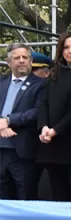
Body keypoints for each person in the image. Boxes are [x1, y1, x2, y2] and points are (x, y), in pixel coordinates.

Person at [37, 32, 71, 201]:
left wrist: (56, 130)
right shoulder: (55, 74)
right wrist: (44, 127)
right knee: (57, 193)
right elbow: (43, 103)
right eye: (66, 47)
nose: (70, 51)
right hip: (52, 144)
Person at [0, 43, 46, 199]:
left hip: (23, 152)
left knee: (25, 197)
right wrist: (1, 127)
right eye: (16, 58)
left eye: (24, 57)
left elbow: (37, 112)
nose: (21, 61)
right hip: (1, 150)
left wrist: (8, 120)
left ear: (30, 60)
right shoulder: (1, 82)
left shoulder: (41, 84)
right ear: (8, 61)